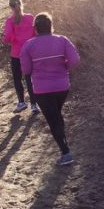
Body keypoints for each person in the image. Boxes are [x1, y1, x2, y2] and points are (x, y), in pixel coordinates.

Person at [20, 12, 80, 164]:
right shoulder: (62, 40)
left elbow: (26, 70)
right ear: (51, 26)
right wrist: (64, 67)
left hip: (42, 89)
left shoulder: (28, 45)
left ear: (36, 28)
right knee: (56, 114)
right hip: (62, 86)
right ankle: (64, 142)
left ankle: (66, 153)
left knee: (53, 119)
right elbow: (75, 59)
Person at [3, 0, 39, 114]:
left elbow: (7, 37)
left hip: (16, 53)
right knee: (30, 78)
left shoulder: (10, 20)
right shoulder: (30, 17)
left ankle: (22, 102)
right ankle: (34, 104)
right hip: (30, 52)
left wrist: (13, 40)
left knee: (17, 78)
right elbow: (36, 33)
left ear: (11, 7)